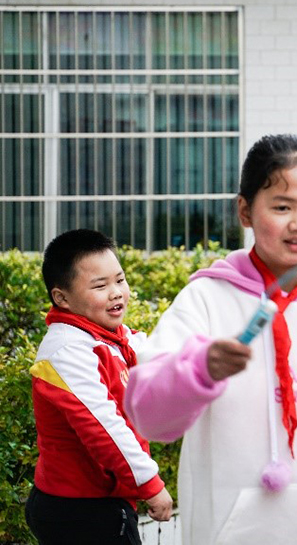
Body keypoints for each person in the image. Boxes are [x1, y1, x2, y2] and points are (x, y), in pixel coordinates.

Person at [124, 134, 297, 545]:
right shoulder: (206, 300)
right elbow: (148, 416)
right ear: (245, 211)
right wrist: (199, 370)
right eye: (282, 207)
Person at [26, 229, 173, 545]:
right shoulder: (67, 351)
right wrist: (151, 484)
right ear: (61, 297)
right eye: (100, 285)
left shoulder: (109, 337)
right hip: (80, 508)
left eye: (119, 280)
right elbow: (104, 427)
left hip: (96, 501)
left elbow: (155, 354)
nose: (116, 292)